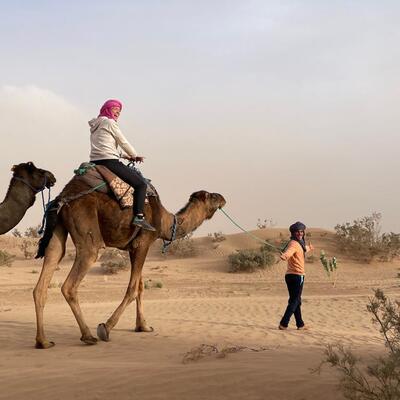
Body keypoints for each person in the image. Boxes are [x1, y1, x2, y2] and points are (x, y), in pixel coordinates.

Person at [89, 99, 155, 231]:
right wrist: (134, 154)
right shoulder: (109, 122)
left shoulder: (95, 125)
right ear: (107, 109)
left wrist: (125, 156)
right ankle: (139, 217)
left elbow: (105, 146)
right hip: (109, 162)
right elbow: (123, 142)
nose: (118, 112)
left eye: (119, 111)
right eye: (115, 109)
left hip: (95, 161)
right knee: (141, 184)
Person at [278, 221, 313, 330]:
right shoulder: (294, 244)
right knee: (295, 301)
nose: (300, 233)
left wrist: (309, 247)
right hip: (297, 276)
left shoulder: (299, 243)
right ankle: (284, 323)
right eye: (297, 232)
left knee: (296, 300)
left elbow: (303, 249)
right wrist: (284, 256)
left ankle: (300, 324)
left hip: (291, 275)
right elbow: (289, 252)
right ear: (293, 233)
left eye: (301, 231)